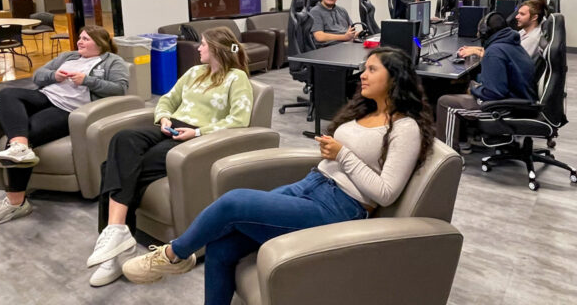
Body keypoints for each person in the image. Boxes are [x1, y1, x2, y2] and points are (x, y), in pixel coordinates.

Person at [119, 47, 436, 305]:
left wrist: (343, 154)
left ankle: (173, 254)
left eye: (371, 69)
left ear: (394, 78)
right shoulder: (366, 110)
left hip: (341, 208)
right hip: (311, 185)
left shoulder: (405, 128)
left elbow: (386, 192)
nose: (362, 75)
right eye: (363, 68)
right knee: (221, 246)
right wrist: (335, 154)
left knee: (234, 201)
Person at [86, 26, 253, 287]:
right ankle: (117, 234)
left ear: (217, 49)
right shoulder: (195, 72)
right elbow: (166, 100)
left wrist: (197, 132)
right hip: (170, 126)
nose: (198, 48)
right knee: (122, 139)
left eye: (203, 44)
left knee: (112, 167)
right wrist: (163, 118)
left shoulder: (237, 78)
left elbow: (240, 120)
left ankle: (114, 255)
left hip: (196, 140)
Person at [0, 26, 129, 226]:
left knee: (28, 132)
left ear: (99, 43)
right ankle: (19, 146)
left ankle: (16, 203)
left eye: (85, 39)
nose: (79, 42)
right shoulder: (69, 56)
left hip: (68, 109)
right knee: (7, 94)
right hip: (46, 96)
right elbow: (38, 75)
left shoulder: (112, 61)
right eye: (80, 38)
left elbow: (120, 89)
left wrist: (88, 80)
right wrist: (54, 76)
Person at [437, 12, 536, 153]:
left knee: (445, 102)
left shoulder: (494, 52)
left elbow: (494, 93)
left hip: (507, 107)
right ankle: (465, 139)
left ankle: (447, 155)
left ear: (486, 33)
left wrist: (474, 89)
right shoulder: (511, 43)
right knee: (468, 85)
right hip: (521, 99)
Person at [458, 0, 547, 59]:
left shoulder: (532, 39)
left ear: (534, 17)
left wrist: (476, 52)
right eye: (518, 13)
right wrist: (474, 49)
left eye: (522, 14)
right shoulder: (524, 32)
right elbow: (504, 50)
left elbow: (505, 59)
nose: (516, 17)